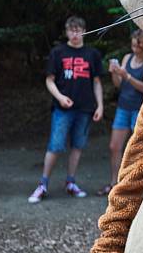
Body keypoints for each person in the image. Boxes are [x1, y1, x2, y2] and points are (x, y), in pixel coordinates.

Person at [28, 16, 104, 203]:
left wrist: (100, 105)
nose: (75, 33)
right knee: (55, 145)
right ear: (67, 31)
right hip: (63, 109)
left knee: (78, 146)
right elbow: (49, 80)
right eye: (71, 30)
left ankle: (70, 182)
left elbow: (96, 82)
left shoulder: (92, 54)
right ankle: (42, 184)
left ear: (84, 30)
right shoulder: (58, 52)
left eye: (78, 29)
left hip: (85, 108)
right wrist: (60, 97)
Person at [96, 29, 143, 195]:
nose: (135, 48)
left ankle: (137, 185)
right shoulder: (127, 58)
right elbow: (118, 84)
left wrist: (126, 75)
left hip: (139, 109)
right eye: (133, 45)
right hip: (123, 107)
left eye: (138, 45)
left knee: (138, 148)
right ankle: (114, 182)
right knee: (114, 146)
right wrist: (115, 73)